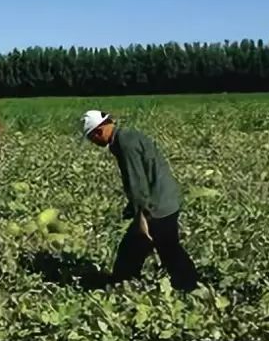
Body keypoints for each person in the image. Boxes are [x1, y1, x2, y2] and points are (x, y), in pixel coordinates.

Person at [81, 109, 199, 292]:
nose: (93, 143)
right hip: (163, 199)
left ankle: (189, 287)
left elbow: (137, 183)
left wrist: (142, 218)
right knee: (142, 248)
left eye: (91, 138)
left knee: (164, 250)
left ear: (98, 132)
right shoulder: (127, 136)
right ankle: (125, 284)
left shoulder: (125, 143)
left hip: (157, 205)